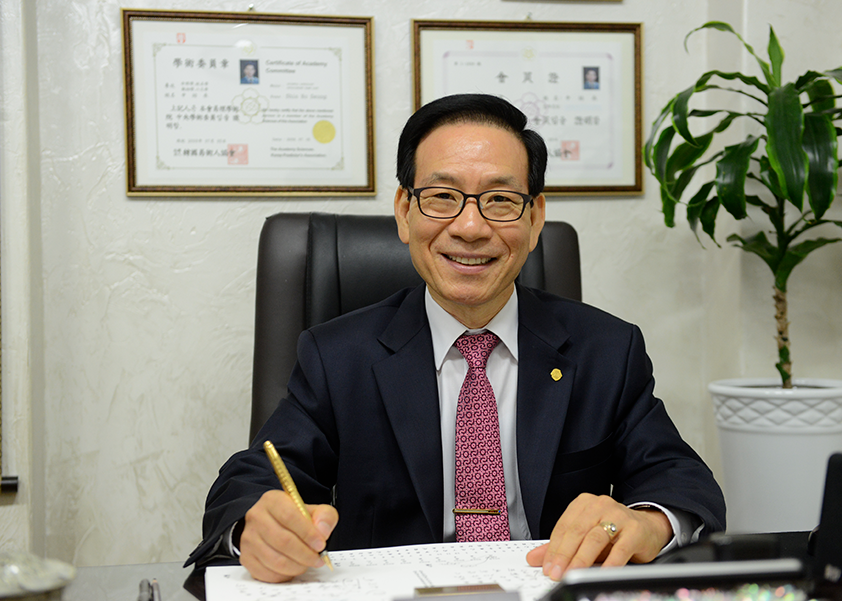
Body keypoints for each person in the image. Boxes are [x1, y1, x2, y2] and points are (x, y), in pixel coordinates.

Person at [185, 93, 725, 583]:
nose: (470, 227)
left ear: (535, 218)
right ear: (405, 212)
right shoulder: (337, 356)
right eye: (443, 197)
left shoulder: (606, 349)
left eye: (500, 200)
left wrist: (648, 521)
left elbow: (679, 479)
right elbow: (253, 478)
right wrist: (257, 525)